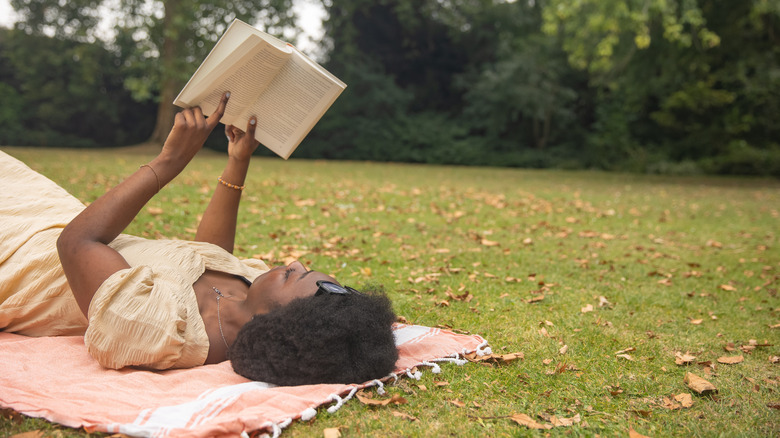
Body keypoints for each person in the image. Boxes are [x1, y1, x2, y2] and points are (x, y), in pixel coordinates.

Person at [0, 93, 398, 386]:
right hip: (49, 212)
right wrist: (237, 161)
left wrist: (168, 161)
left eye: (295, 276)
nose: (292, 262)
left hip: (18, 254)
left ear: (277, 324)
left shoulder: (160, 332)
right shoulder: (248, 291)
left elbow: (76, 244)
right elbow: (210, 255)